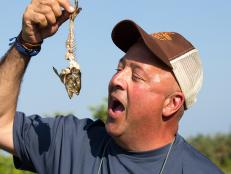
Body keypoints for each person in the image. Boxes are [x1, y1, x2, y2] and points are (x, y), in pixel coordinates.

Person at [0, 0, 223, 174]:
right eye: (119, 68)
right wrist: (25, 44)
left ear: (172, 103)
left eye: (136, 76)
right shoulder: (70, 141)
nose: (116, 80)